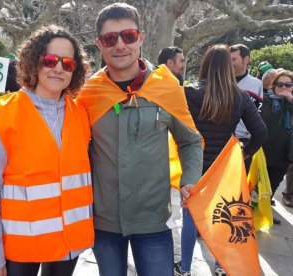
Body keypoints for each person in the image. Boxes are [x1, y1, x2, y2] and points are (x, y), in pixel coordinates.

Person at [77, 3, 203, 276]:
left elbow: (190, 141)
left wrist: (189, 179)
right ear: (100, 43)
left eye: (128, 36)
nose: (120, 45)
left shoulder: (166, 86)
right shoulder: (88, 93)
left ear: (141, 38)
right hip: (104, 221)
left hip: (153, 220)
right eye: (110, 38)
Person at [0, 25, 93, 276]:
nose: (58, 68)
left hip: (69, 245)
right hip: (20, 248)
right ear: (34, 62)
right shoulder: (4, 115)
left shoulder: (81, 114)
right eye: (50, 60)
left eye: (68, 63)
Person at [174, 44, 267, 276]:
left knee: (190, 216)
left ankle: (185, 268)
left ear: (205, 64)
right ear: (228, 67)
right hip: (224, 167)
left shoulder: (189, 92)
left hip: (193, 165)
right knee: (221, 216)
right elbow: (261, 132)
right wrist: (244, 152)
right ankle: (221, 266)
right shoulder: (240, 97)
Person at [262, 70, 293, 208]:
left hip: (284, 153)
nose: (284, 88)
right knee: (259, 186)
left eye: (288, 84)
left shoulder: (291, 102)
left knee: (273, 185)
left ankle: (265, 211)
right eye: (280, 84)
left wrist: (290, 100)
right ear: (274, 86)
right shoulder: (266, 99)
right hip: (265, 150)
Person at [230, 44, 263, 171]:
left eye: (234, 59)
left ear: (246, 59)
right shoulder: (222, 81)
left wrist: (249, 147)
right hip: (223, 139)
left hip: (244, 142)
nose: (230, 63)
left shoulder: (256, 84)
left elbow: (258, 114)